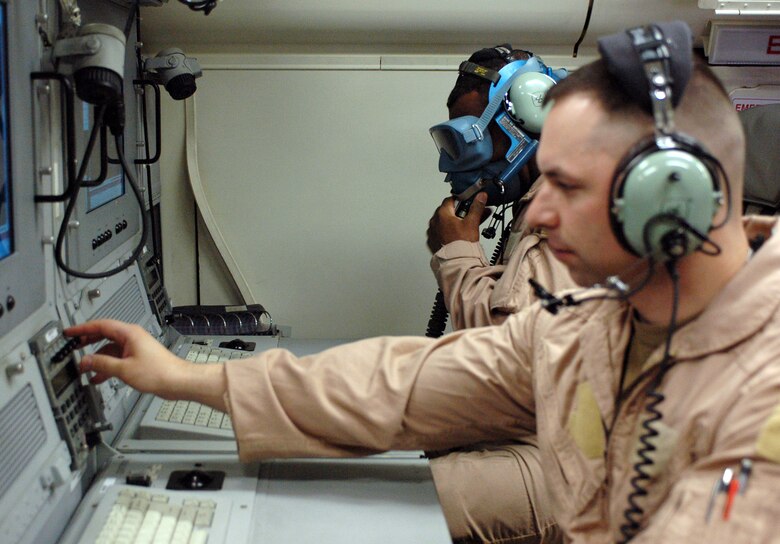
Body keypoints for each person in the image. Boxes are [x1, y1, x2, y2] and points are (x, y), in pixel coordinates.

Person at [68, 22, 780, 542]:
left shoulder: (761, 395)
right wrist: (188, 383)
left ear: (668, 199)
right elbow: (403, 383)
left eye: (566, 184)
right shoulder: (589, 320)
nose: (538, 211)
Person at [425, 45, 574, 543]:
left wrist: (458, 252)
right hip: (541, 425)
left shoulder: (573, 209)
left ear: (528, 117)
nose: (458, 160)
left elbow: (506, 347)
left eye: (470, 139)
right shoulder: (538, 202)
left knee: (407, 500)